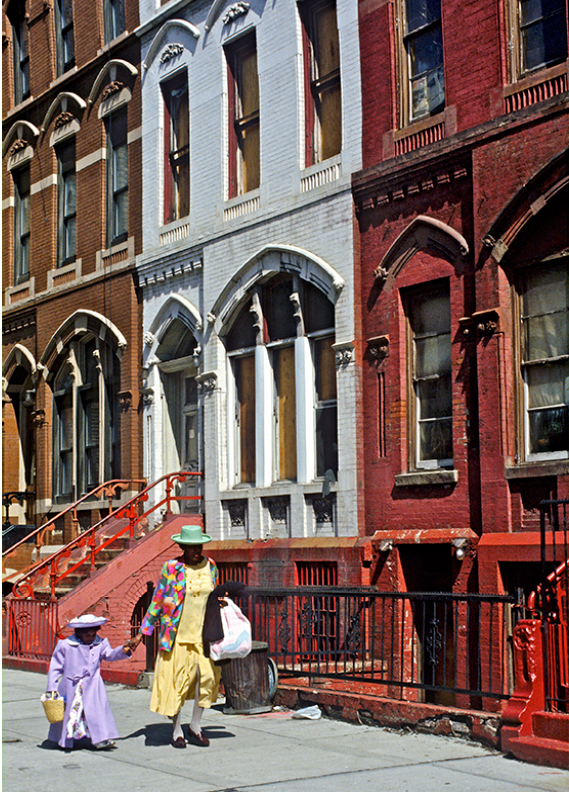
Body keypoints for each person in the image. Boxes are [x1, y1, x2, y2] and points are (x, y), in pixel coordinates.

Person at [128, 523, 245, 748]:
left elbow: (215, 593)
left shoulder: (211, 566)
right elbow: (159, 600)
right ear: (182, 547)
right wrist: (142, 633)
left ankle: (195, 726)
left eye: (199, 546)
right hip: (177, 636)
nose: (196, 551)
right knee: (176, 684)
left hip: (205, 636)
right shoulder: (171, 568)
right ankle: (176, 730)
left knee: (208, 680)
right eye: (191, 547)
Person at [46, 613, 132, 751]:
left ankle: (100, 739)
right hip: (72, 686)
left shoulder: (100, 643)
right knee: (73, 713)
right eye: (87, 636)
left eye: (93, 635)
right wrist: (52, 687)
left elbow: (109, 655)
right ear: (79, 633)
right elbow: (55, 667)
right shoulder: (65, 646)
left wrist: (123, 650)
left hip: (93, 685)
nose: (91, 638)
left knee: (95, 712)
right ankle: (66, 739)